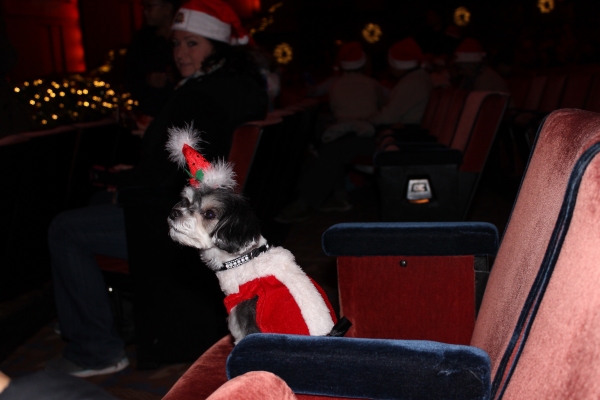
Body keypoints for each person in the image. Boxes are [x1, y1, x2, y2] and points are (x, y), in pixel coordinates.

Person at [45, 0, 268, 377]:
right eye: (177, 43)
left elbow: (183, 173)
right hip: (206, 209)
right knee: (99, 200)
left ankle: (97, 348)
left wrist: (127, 177)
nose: (180, 52)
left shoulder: (204, 94)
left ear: (217, 46)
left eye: (192, 44)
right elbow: (184, 160)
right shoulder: (230, 86)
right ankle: (106, 314)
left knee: (64, 228)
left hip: (177, 222)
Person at [274, 38, 432, 223]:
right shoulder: (410, 80)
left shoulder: (411, 82)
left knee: (333, 147)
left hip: (399, 139)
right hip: (397, 135)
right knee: (335, 145)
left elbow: (387, 116)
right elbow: (387, 109)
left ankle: (307, 201)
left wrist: (358, 123)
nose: (388, 65)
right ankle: (322, 198)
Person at [124, 0, 182, 119]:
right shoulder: (142, 41)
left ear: (167, 8)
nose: (145, 12)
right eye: (143, 6)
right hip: (152, 113)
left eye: (150, 6)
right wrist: (147, 79)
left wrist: (177, 76)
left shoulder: (184, 37)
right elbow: (127, 77)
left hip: (181, 111)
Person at [320, 42, 385, 143]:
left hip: (341, 132)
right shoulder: (373, 83)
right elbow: (383, 104)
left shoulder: (334, 84)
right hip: (369, 132)